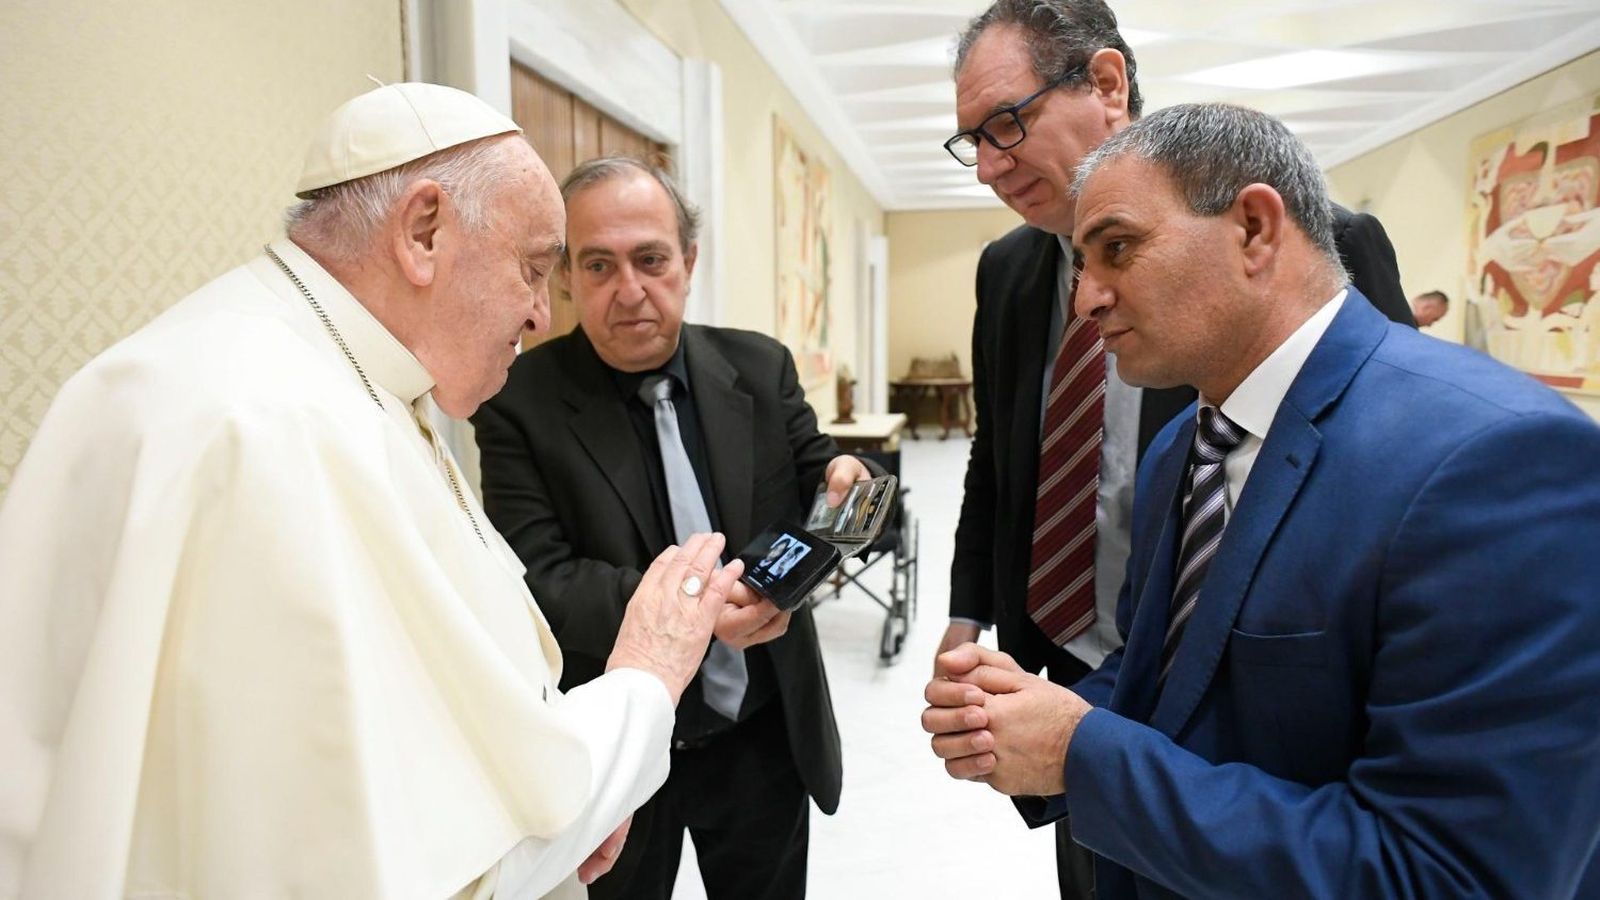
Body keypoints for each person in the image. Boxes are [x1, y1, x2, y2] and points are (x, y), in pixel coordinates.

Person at [0, 82, 750, 900]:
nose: (542, 314)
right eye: (536, 269)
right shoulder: (269, 429)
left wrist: (574, 802)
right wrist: (645, 677)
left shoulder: (330, 373)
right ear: (424, 231)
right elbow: (424, 860)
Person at [923, 102, 1600, 899]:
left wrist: (1081, 752)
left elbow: (1450, 874)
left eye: (1118, 249)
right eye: (1081, 265)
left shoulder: (1498, 458)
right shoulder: (1187, 444)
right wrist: (1026, 716)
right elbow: (1161, 685)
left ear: (1253, 228)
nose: (1087, 300)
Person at [936, 3, 1416, 893]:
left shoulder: (1324, 245)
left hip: (1248, 676)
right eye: (973, 141)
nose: (992, 165)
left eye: (1009, 122)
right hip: (1076, 666)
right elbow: (998, 456)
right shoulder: (1006, 271)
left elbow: (1383, 461)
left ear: (1108, 85)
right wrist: (973, 614)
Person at [471, 156, 874, 900]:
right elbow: (540, 582)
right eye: (599, 265)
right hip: (616, 746)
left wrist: (848, 482)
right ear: (565, 279)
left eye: (651, 260)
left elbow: (823, 485)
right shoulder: (518, 401)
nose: (630, 292)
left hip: (760, 731)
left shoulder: (760, 366)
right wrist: (698, 613)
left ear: (688, 261)